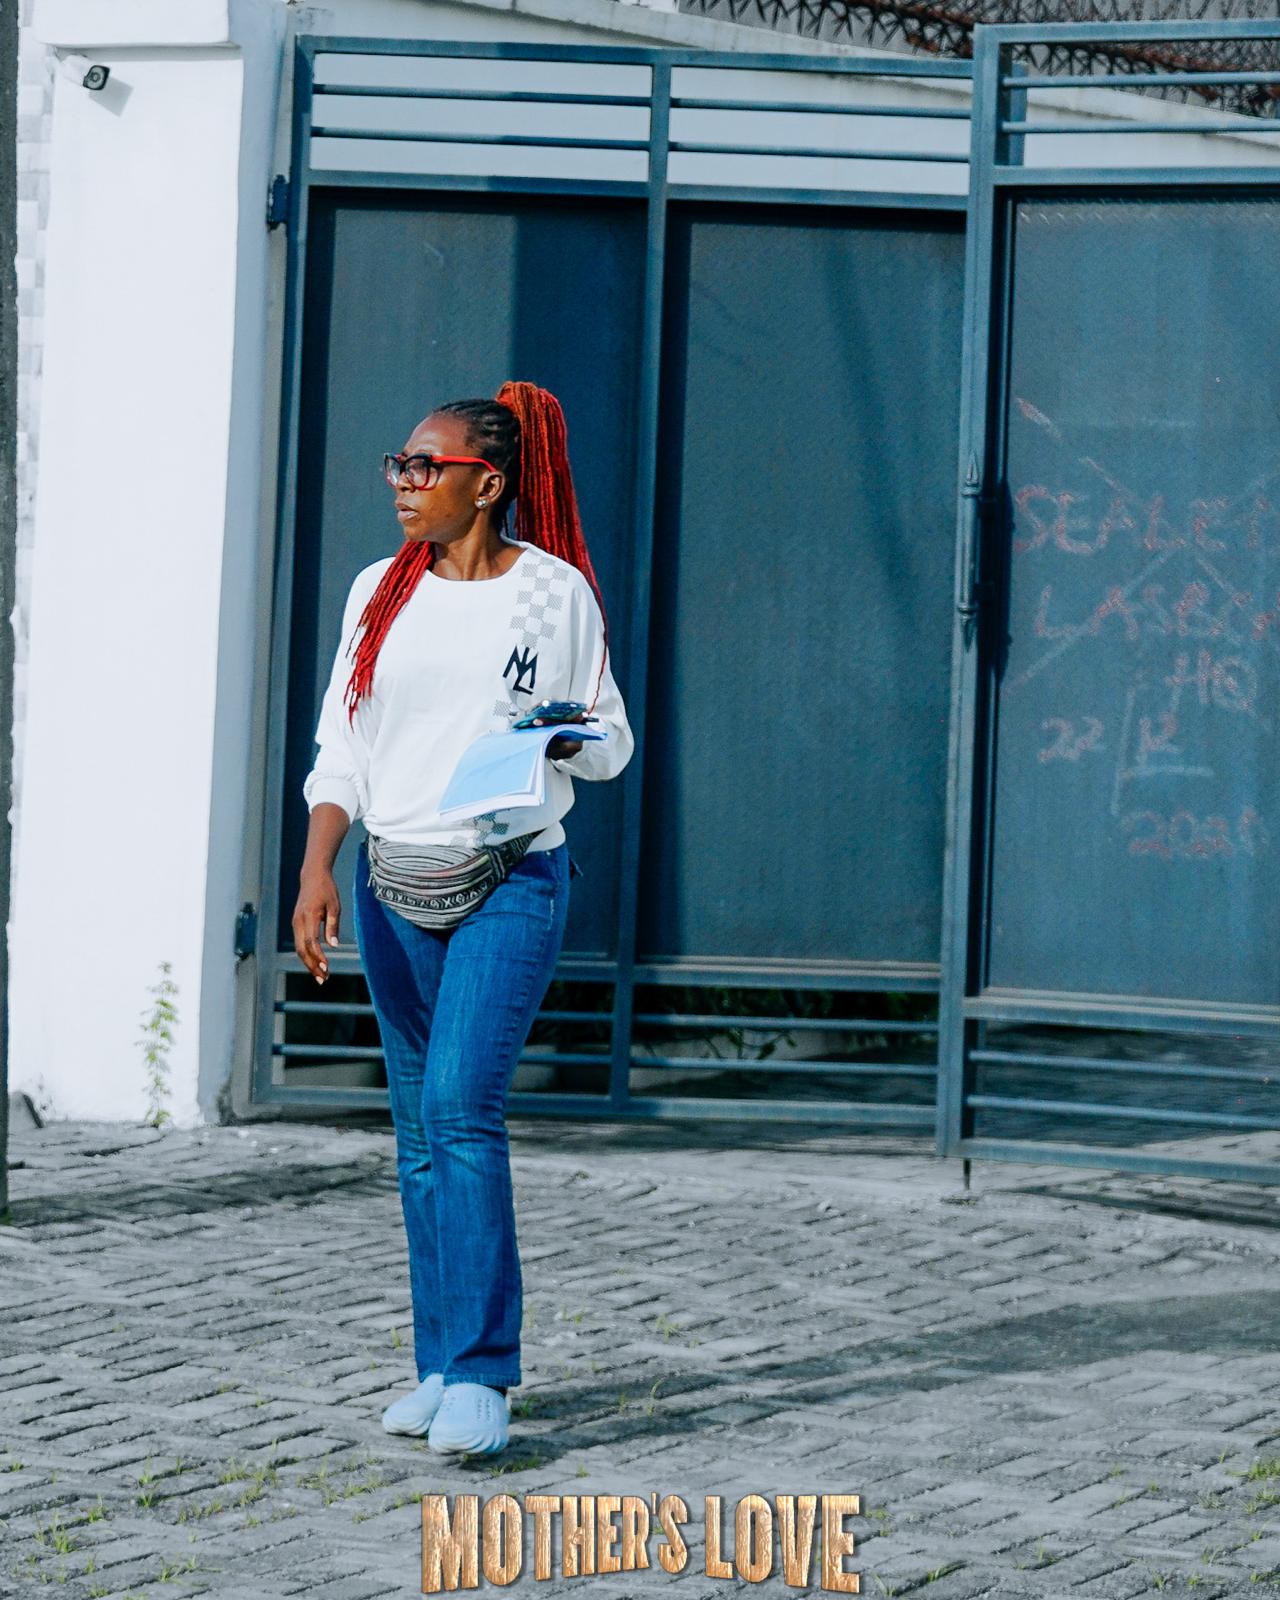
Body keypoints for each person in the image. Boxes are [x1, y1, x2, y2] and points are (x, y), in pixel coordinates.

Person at [293, 381, 634, 1454]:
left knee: (459, 1107)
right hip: (393, 883)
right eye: (397, 465)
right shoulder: (375, 594)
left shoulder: (552, 593)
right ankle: (439, 1363)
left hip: (510, 879)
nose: (402, 483)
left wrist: (558, 737)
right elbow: (339, 748)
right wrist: (316, 870)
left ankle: (485, 1371)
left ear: (483, 484)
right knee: (417, 1137)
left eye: (422, 468)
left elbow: (612, 740)